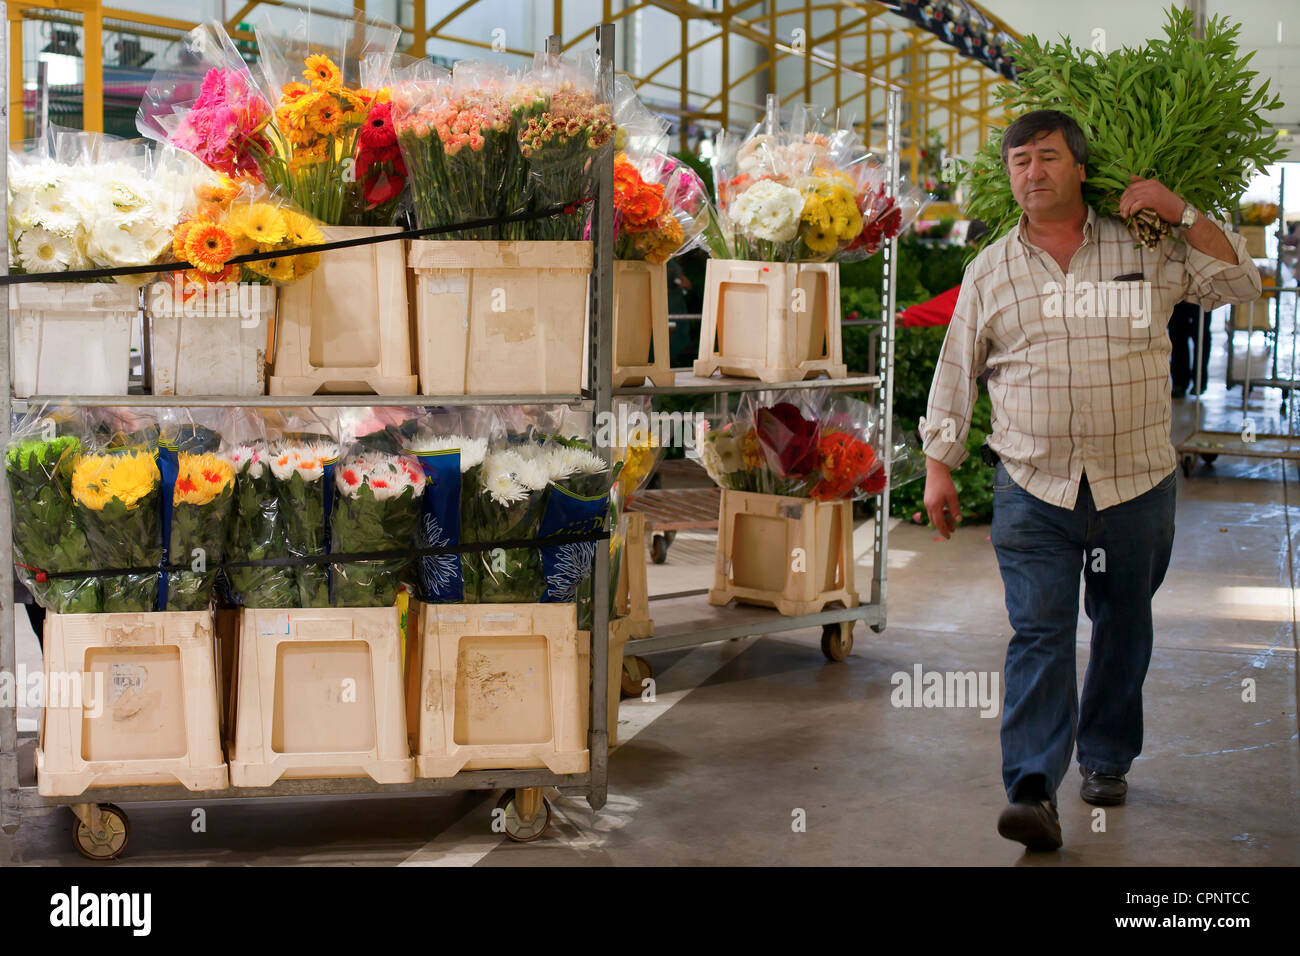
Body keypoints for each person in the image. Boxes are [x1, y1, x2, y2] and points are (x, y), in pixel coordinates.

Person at [919, 109, 1261, 851]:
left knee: (1122, 626)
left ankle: (1106, 757)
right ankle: (1033, 787)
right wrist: (938, 464)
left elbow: (1239, 279)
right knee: (1039, 631)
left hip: (1134, 482)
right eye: (1019, 162)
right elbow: (957, 366)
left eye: (1046, 157)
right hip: (1031, 484)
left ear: (1080, 167)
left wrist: (1180, 210)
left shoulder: (1147, 242)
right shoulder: (992, 269)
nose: (1031, 172)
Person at [1167, 300, 1211, 397]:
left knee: (1201, 338)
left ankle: (1199, 381)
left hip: (1201, 296)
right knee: (1177, 339)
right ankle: (1179, 382)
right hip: (1177, 297)